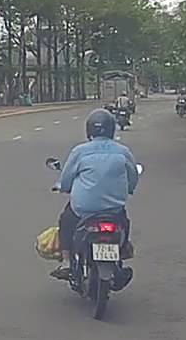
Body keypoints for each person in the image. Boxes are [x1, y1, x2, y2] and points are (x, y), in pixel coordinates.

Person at [50, 108, 140, 281]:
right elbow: (133, 178)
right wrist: (129, 189)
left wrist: (62, 187)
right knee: (124, 222)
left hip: (83, 209)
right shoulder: (123, 152)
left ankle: (67, 262)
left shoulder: (80, 151)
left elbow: (66, 179)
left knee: (66, 221)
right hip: (113, 210)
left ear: (89, 129)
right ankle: (122, 252)